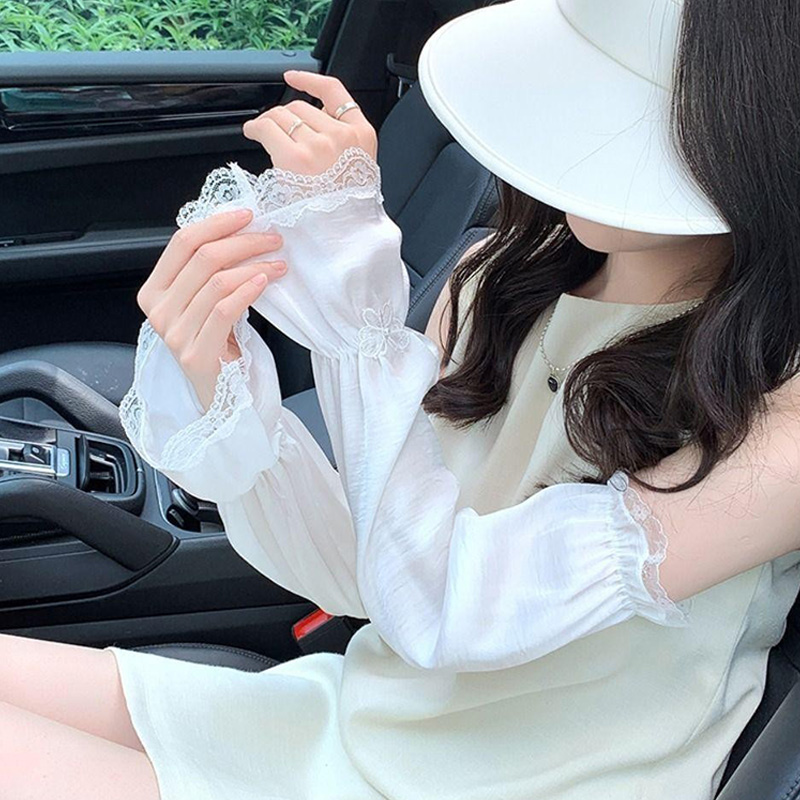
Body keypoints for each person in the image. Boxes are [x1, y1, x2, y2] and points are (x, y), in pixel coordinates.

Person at [3, 0, 800, 797]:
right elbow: (368, 576)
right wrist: (228, 392)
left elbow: (452, 606)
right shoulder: (492, 281)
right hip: (366, 715)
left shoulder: (779, 407)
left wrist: (356, 326)